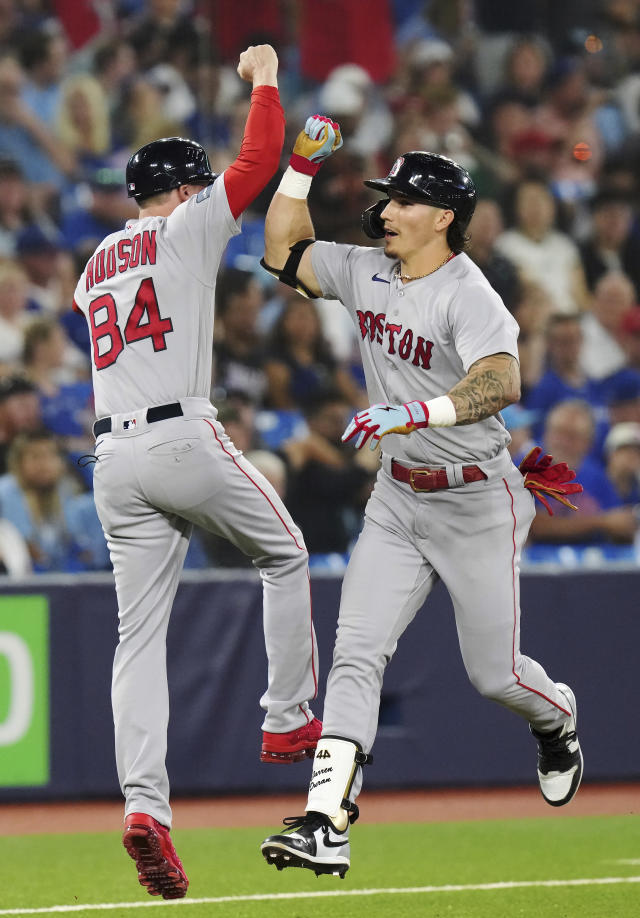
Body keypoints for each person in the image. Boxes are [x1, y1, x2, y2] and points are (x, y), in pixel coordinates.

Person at [259, 118, 584, 878]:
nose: (387, 210)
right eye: (387, 197)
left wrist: (418, 411)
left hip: (477, 499)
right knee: (354, 653)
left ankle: (557, 719)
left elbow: (502, 381)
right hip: (399, 499)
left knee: (493, 674)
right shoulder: (368, 269)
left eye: (404, 200)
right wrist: (301, 165)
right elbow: (283, 251)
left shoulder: (469, 292)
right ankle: (325, 821)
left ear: (443, 217)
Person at [71, 46, 321, 901]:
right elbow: (258, 160)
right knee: (285, 552)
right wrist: (264, 80)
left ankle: (147, 810)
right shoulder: (186, 225)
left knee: (136, 641)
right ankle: (289, 721)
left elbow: (109, 298)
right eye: (198, 187)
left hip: (112, 459)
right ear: (181, 191)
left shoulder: (91, 264)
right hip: (181, 435)